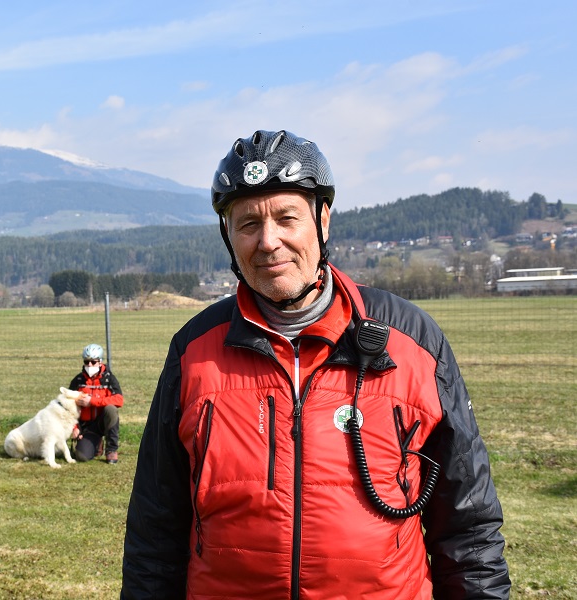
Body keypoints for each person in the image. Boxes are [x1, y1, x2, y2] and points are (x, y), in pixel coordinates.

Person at [121, 130, 510, 598]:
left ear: (322, 220)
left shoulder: (413, 343)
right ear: (228, 236)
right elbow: (155, 532)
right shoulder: (194, 351)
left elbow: (468, 526)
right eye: (248, 224)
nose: (269, 242)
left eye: (287, 218)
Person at [68, 343, 124, 464]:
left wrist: (92, 401)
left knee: (111, 409)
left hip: (102, 422)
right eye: (86, 362)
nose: (89, 365)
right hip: (86, 426)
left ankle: (111, 449)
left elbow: (119, 400)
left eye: (93, 362)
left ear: (100, 362)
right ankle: (96, 444)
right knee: (81, 456)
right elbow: (68, 406)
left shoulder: (109, 379)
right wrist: (74, 428)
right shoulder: (78, 381)